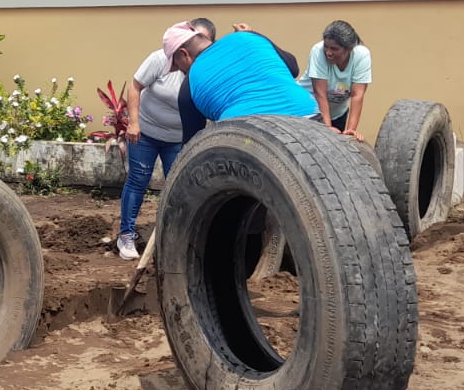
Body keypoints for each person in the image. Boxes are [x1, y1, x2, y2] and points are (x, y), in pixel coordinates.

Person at [116, 18, 215, 260]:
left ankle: (174, 238)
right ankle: (126, 234)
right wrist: (134, 123)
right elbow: (135, 86)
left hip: (178, 140)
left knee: (178, 186)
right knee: (138, 180)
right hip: (146, 133)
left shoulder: (207, 69)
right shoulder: (162, 59)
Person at [164, 20, 319, 142]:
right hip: (308, 114)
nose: (180, 71)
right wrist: (255, 35)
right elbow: (293, 68)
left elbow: (192, 146)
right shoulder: (251, 37)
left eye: (176, 65)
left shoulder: (189, 84)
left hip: (249, 136)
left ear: (184, 54)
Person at [303, 20, 373, 141]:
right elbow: (320, 94)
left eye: (334, 49)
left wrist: (351, 131)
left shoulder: (362, 55)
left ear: (349, 49)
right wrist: (327, 127)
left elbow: (357, 95)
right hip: (310, 111)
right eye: (326, 47)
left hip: (338, 113)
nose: (328, 52)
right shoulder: (317, 51)